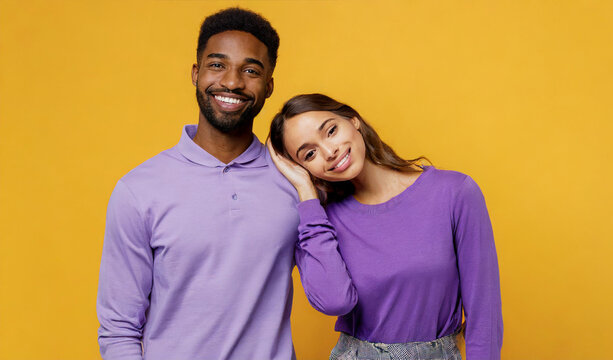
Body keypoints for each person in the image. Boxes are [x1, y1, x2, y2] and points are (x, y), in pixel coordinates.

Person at [96, 8, 352, 360]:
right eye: (217, 65)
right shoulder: (139, 190)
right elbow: (119, 329)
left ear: (269, 86)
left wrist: (307, 192)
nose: (232, 82)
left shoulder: (297, 182)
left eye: (251, 71)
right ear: (195, 73)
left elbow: (335, 296)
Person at [268, 93, 503, 360]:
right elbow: (335, 301)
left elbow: (484, 314)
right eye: (309, 154)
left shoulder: (454, 193)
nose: (329, 151)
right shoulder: (317, 224)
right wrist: (306, 194)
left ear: (353, 120)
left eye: (331, 131)